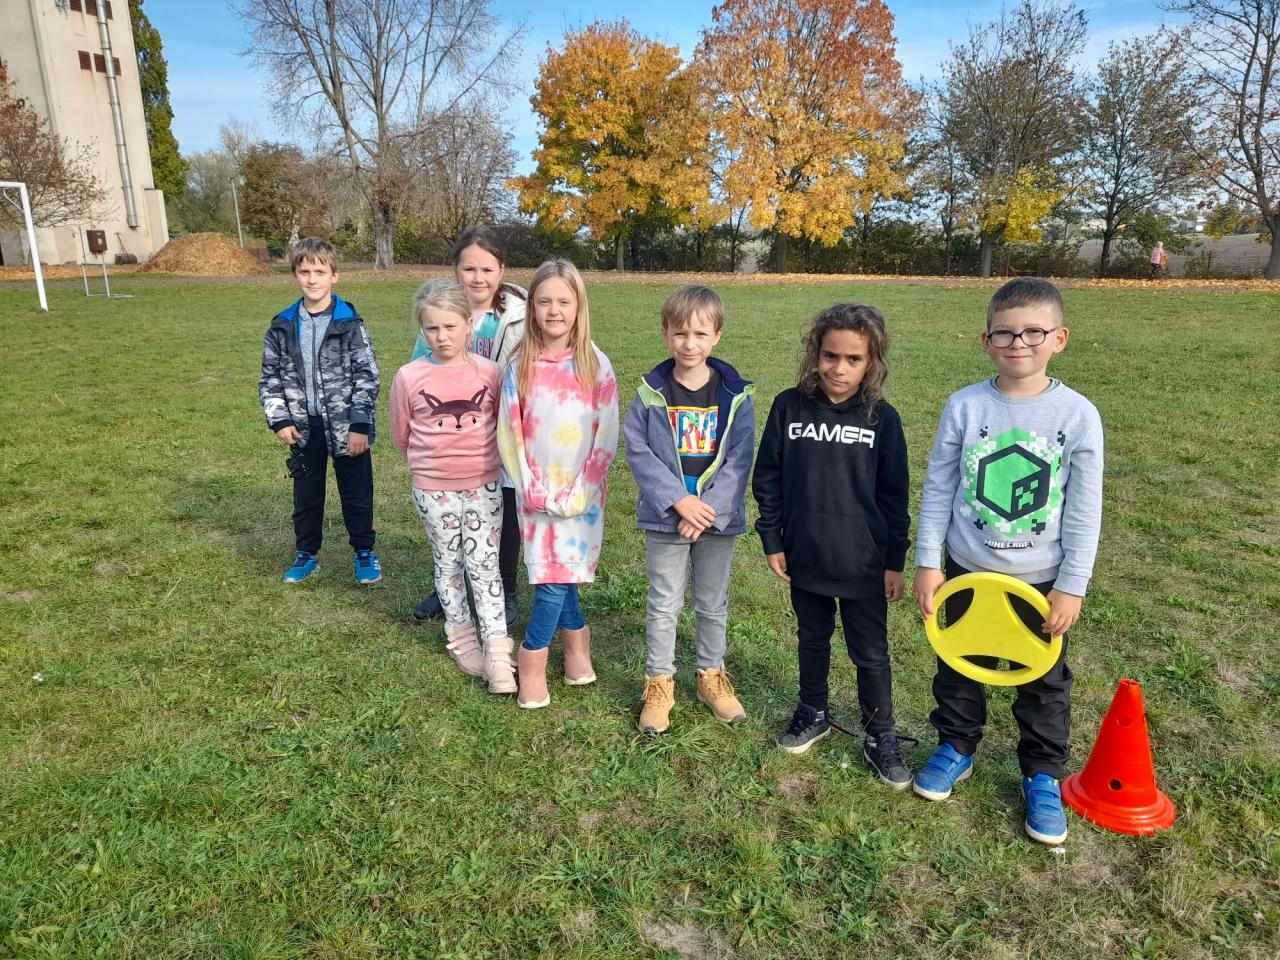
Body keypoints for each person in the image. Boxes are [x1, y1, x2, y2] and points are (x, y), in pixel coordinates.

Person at [913, 277, 1103, 845]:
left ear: (1059, 339)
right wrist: (928, 561)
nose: (1018, 343)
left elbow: (1084, 509)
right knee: (959, 666)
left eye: (1033, 332)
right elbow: (939, 487)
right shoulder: (965, 406)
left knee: (1043, 682)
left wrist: (1072, 584)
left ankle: (1042, 774)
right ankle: (956, 746)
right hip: (967, 568)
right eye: (1004, 333)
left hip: (1040, 581)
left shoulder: (1078, 415)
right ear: (986, 340)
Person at [752, 304, 912, 789]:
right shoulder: (789, 407)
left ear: (872, 362)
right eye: (830, 356)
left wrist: (894, 561)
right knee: (812, 637)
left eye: (853, 359)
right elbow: (768, 476)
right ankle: (813, 711)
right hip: (806, 553)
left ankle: (880, 734)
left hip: (864, 562)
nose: (839, 369)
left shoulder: (882, 419)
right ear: (815, 353)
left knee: (871, 652)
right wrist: (773, 538)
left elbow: (895, 496)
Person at [624, 285, 756, 734]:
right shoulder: (650, 392)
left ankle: (711, 676)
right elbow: (637, 450)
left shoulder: (736, 394)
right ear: (665, 334)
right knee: (664, 603)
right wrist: (679, 501)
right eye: (680, 333)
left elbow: (740, 457)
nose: (689, 343)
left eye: (700, 334)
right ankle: (659, 683)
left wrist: (708, 510)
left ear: (717, 335)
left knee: (712, 603)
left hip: (717, 521)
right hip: (666, 518)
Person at [498, 260, 619, 709]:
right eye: (544, 301)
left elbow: (606, 433)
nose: (554, 310)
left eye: (563, 301)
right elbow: (509, 431)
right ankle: (547, 660)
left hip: (582, 492)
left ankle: (565, 654)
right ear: (531, 307)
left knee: (560, 573)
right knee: (551, 576)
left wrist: (584, 487)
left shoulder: (595, 364)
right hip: (535, 491)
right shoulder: (519, 366)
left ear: (579, 306)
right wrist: (527, 484)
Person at [389, 279, 515, 694]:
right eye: (432, 328)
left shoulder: (490, 374)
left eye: (450, 326)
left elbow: (501, 425)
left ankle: (497, 650)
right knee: (449, 563)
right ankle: (462, 640)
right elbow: (402, 432)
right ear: (421, 329)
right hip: (433, 490)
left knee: (485, 565)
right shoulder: (409, 377)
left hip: (484, 485)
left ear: (468, 325)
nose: (442, 336)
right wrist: (431, 468)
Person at [410, 227, 527, 629]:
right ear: (455, 270)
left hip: (503, 429)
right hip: (452, 438)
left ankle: (505, 587)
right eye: (469, 269)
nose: (478, 278)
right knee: (450, 518)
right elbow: (418, 373)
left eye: (487, 269)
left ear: (502, 270)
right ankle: (449, 586)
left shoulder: (517, 316)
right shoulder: (439, 314)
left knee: (503, 513)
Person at [259, 237, 382, 585]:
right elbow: (269, 378)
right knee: (307, 496)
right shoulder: (282, 325)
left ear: (334, 276)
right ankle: (306, 554)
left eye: (320, 272)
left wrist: (360, 423)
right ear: (294, 275)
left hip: (347, 426)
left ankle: (364, 552)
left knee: (357, 494)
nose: (312, 279)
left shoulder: (349, 322)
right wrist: (280, 419)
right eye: (304, 272)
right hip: (303, 427)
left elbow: (367, 374)